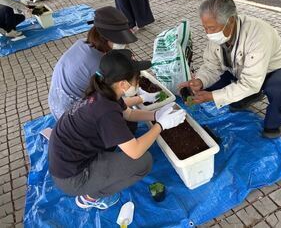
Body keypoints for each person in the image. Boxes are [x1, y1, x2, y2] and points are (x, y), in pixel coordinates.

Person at [48, 50, 186, 209]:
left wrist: (155, 114)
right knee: (144, 162)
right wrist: (160, 125)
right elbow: (135, 152)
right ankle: (89, 197)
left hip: (70, 156)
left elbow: (129, 114)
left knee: (128, 127)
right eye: (137, 78)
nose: (138, 82)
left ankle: (100, 173)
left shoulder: (104, 91)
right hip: (74, 176)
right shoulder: (106, 111)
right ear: (123, 84)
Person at [179, 0, 281, 138]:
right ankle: (252, 95)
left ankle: (274, 124)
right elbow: (211, 66)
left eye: (211, 28)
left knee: (280, 90)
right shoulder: (218, 34)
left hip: (274, 70)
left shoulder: (258, 34)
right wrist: (200, 81)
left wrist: (213, 97)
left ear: (231, 21)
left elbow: (251, 82)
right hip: (238, 69)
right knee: (208, 88)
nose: (208, 34)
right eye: (205, 28)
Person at [48, 6, 157, 121]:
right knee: (121, 122)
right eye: (119, 40)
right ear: (104, 38)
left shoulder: (81, 43)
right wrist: (141, 98)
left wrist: (140, 96)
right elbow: (110, 102)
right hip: (70, 113)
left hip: (55, 100)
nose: (123, 44)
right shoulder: (98, 65)